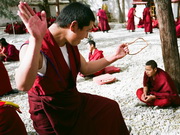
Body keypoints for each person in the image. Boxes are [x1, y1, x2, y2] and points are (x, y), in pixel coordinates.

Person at [16, 2, 130, 135]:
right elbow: (22, 85)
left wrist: (115, 56)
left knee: (109, 108)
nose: (87, 36)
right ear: (73, 26)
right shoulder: (33, 47)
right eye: (87, 30)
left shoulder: (67, 42)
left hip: (72, 102)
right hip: (51, 112)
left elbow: (85, 68)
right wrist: (36, 40)